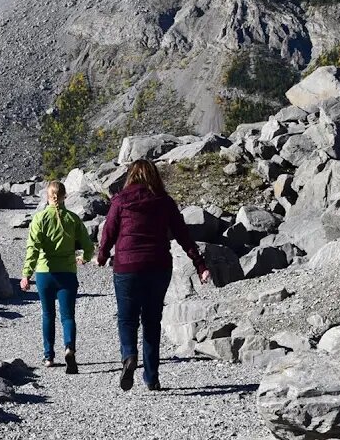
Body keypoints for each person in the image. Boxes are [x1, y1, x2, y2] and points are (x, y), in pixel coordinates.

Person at [96, 158, 210, 391]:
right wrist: (200, 265)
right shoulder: (164, 202)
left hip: (127, 266)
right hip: (158, 266)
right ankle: (152, 377)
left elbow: (109, 231)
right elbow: (183, 235)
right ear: (155, 177)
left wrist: (102, 255)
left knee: (127, 318)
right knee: (151, 321)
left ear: (131, 177)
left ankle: (129, 356)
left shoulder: (120, 200)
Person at [20, 180, 94, 373]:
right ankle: (69, 347)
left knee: (48, 315)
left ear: (47, 196)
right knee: (67, 316)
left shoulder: (39, 218)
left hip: (45, 273)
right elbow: (88, 246)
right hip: (67, 272)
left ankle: (48, 356)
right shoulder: (73, 219)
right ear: (65, 196)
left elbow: (33, 248)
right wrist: (83, 258)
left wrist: (26, 274)